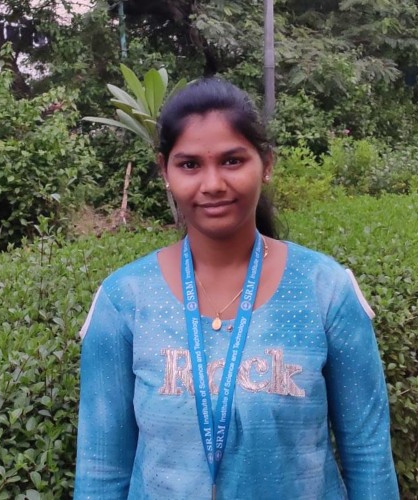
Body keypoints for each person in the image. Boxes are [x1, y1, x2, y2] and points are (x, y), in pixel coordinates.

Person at [74, 78, 399, 499]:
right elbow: (101, 471)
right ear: (165, 171)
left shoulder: (326, 290)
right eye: (190, 165)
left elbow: (368, 455)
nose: (212, 183)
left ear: (266, 163)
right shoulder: (124, 300)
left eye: (232, 160)